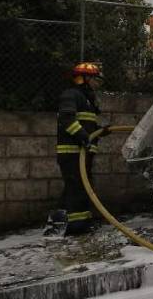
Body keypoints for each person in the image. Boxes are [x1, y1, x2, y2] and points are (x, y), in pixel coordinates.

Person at [46, 62, 105, 236]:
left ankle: (72, 224)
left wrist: (100, 132)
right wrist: (85, 137)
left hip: (82, 152)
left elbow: (86, 124)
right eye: (95, 79)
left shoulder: (87, 99)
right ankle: (75, 227)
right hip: (71, 152)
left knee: (79, 188)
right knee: (76, 188)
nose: (97, 83)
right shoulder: (70, 95)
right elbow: (67, 121)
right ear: (84, 79)